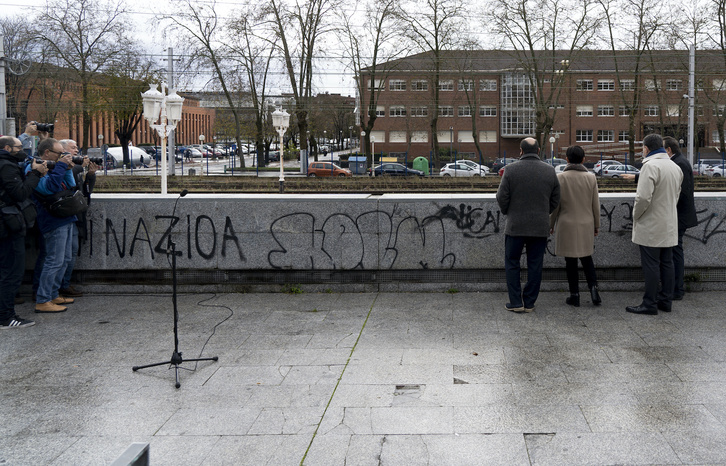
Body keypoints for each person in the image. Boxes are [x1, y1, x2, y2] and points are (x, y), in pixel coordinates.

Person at [497, 137, 560, 313]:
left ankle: (516, 302)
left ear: (521, 151)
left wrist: (508, 212)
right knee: (535, 264)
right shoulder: (550, 171)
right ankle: (530, 302)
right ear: (538, 151)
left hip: (515, 226)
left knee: (512, 262)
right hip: (539, 227)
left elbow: (501, 197)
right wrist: (544, 212)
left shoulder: (510, 170)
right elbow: (556, 199)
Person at [626, 133, 683, 315]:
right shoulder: (675, 167)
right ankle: (665, 301)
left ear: (647, 148)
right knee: (667, 263)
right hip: (669, 223)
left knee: (650, 265)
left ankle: (649, 303)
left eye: (642, 148)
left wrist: (636, 215)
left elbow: (643, 197)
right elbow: (675, 196)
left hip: (651, 223)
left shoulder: (650, 167)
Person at [0, 136, 48, 328]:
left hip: (6, 222)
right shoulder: (6, 166)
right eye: (20, 147)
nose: (24, 150)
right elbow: (20, 193)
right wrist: (35, 174)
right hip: (7, 225)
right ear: (7, 148)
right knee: (12, 270)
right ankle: (5, 316)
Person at [28, 138, 78, 313]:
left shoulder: (54, 166)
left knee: (63, 259)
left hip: (64, 216)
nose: (63, 156)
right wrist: (61, 166)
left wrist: (67, 169)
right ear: (47, 153)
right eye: (60, 153)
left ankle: (53, 293)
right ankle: (43, 300)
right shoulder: (34, 166)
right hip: (51, 219)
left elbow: (70, 186)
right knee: (53, 261)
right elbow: (49, 188)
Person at [549, 145, 602, 307]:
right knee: (587, 258)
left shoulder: (560, 178)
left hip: (566, 224)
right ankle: (593, 290)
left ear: (567, 159)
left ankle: (575, 295)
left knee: (570, 261)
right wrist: (596, 225)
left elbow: (555, 205)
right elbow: (595, 205)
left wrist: (551, 224)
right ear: (583, 159)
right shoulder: (591, 178)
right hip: (586, 223)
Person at [58, 139, 97, 298]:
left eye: (77, 147)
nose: (77, 150)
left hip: (73, 216)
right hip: (61, 216)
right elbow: (67, 181)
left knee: (71, 253)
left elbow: (85, 192)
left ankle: (64, 285)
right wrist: (81, 166)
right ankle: (53, 290)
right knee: (58, 257)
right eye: (73, 148)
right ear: (63, 150)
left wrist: (91, 175)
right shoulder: (60, 166)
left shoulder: (75, 167)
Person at [663, 136, 698, 300]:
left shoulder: (679, 164)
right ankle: (675, 288)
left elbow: (680, 191)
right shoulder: (680, 161)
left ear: (668, 150)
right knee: (675, 251)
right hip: (680, 215)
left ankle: (677, 289)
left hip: (678, 216)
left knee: (675, 252)